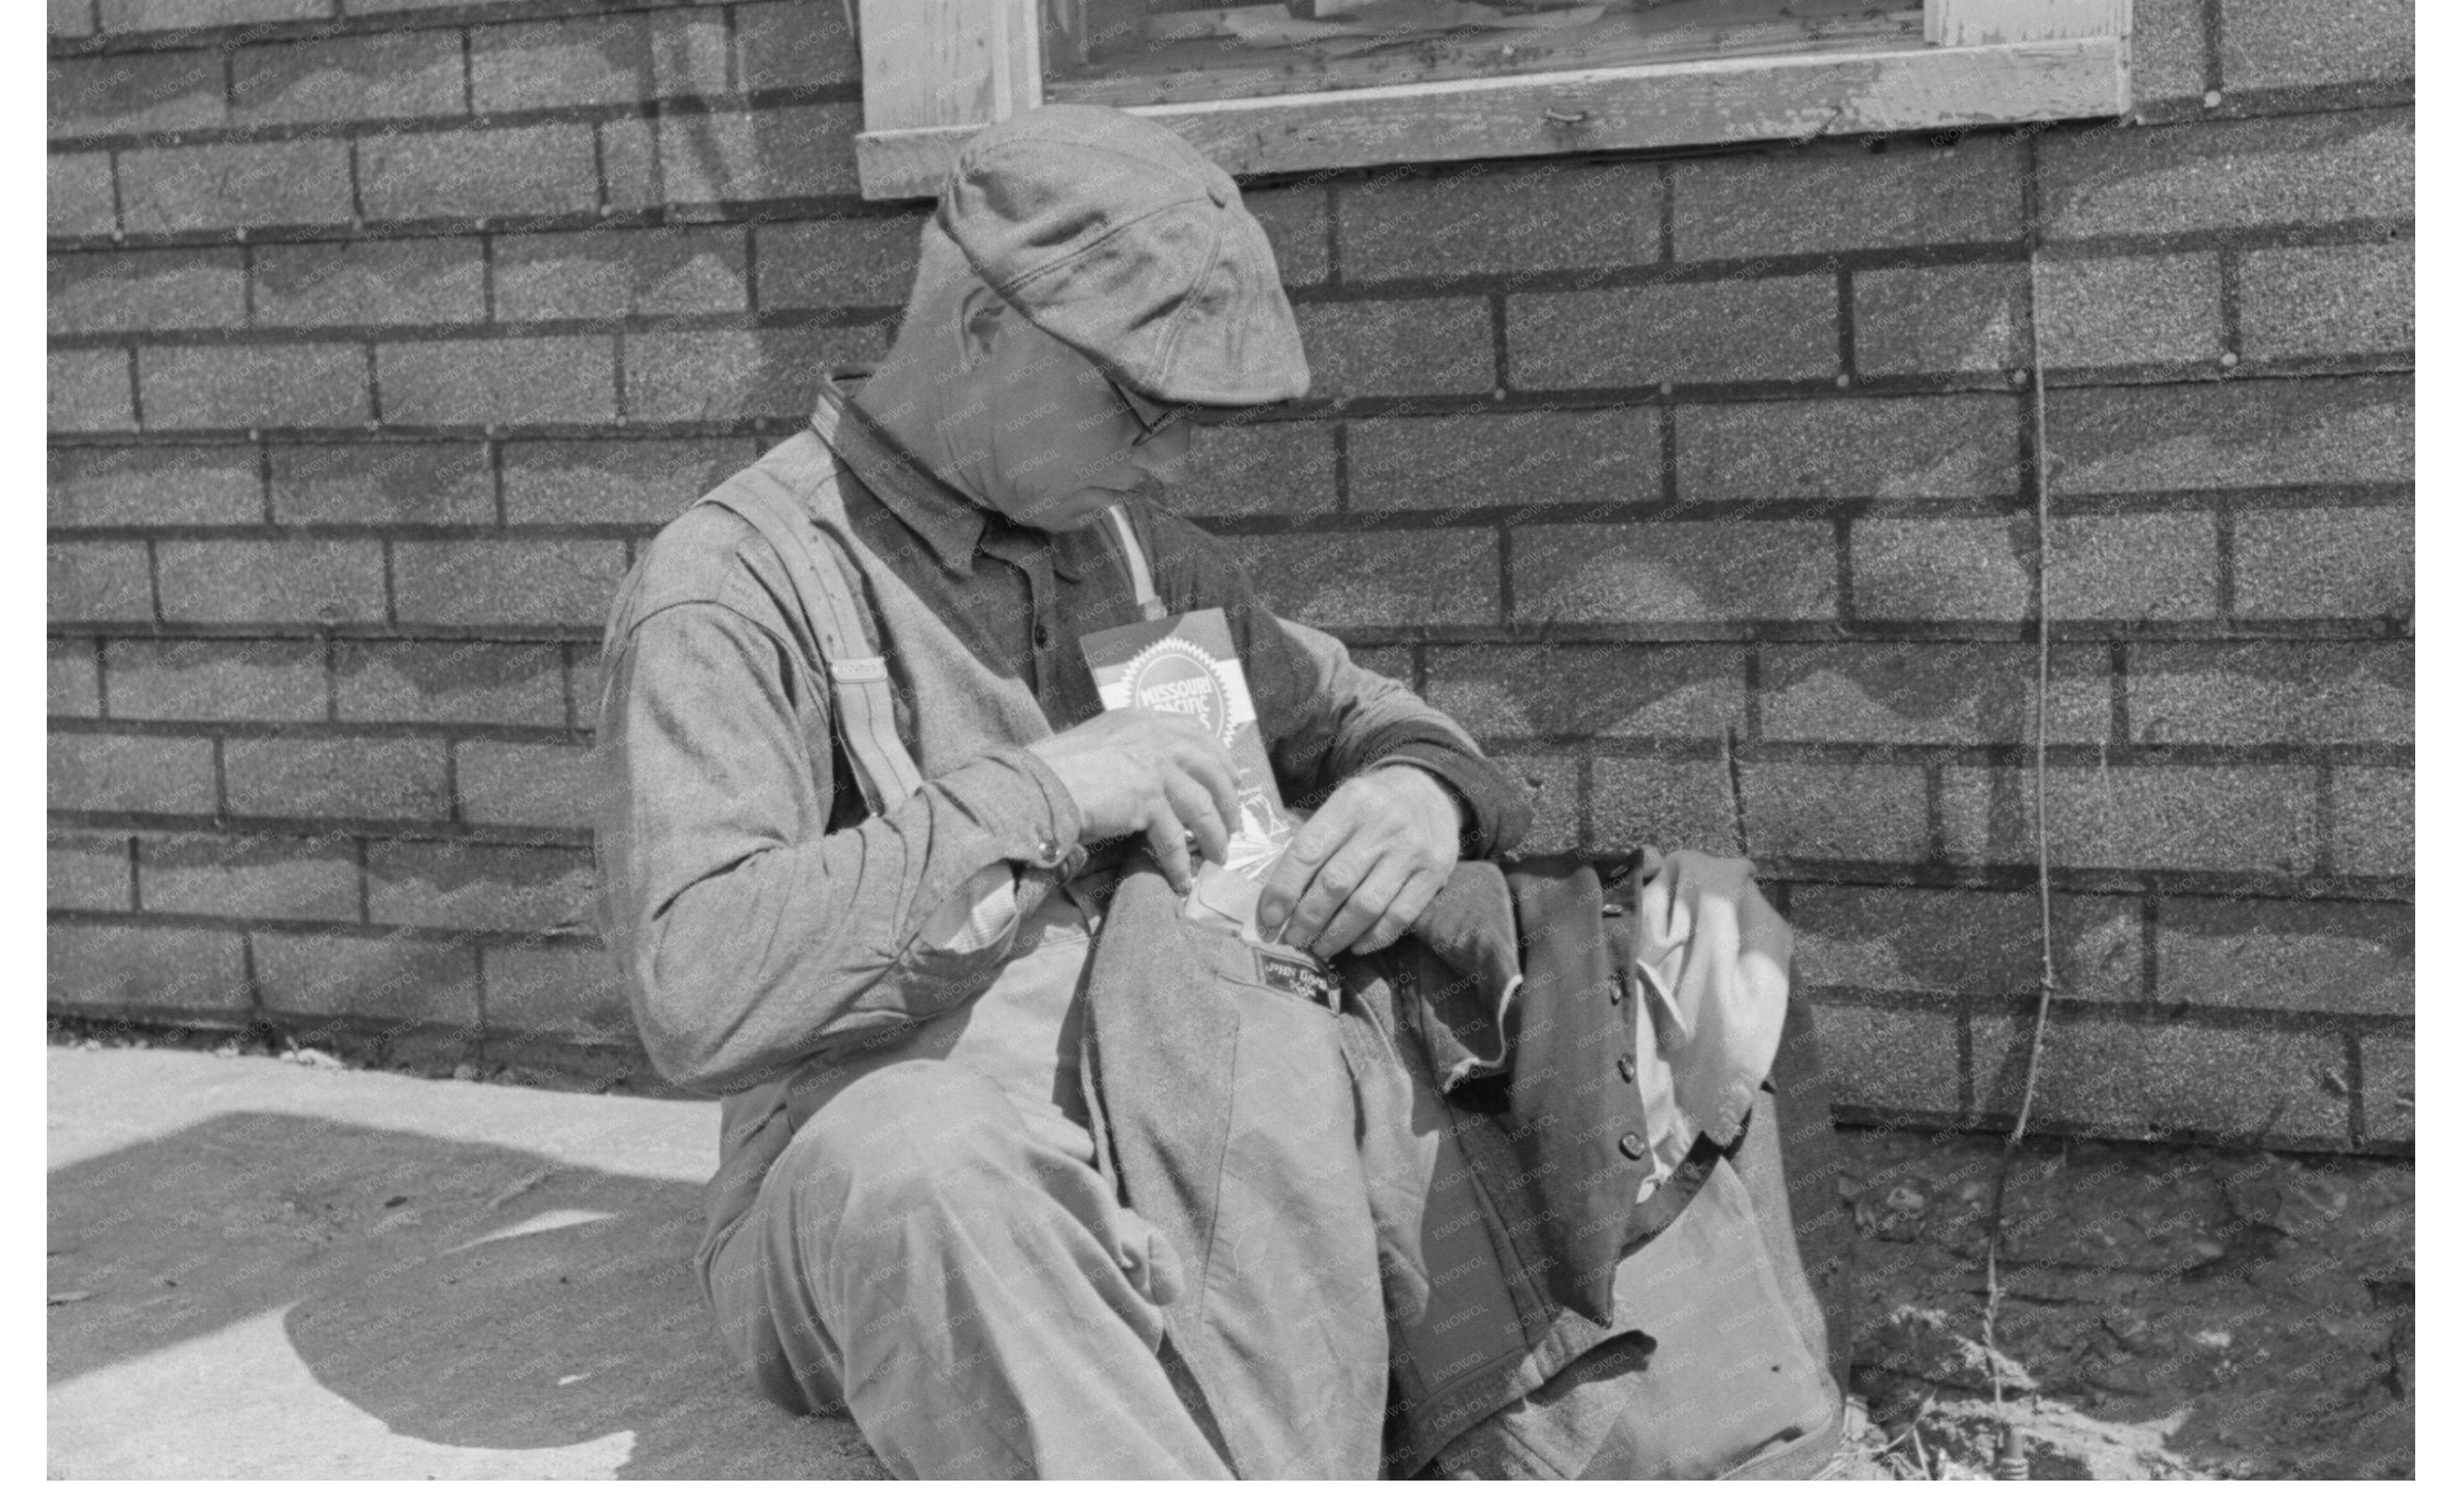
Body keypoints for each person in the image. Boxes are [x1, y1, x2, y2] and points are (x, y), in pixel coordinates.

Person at [594, 104, 1846, 1480]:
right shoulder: (736, 586)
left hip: (1188, 1137)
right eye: (1141, 407)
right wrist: (1044, 793)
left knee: (1573, 983)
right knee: (921, 1157)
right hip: (910, 1172)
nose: (1169, 461)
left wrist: (1419, 794)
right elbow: (695, 985)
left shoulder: (1131, 553)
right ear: (982, 326)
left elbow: (1377, 714)